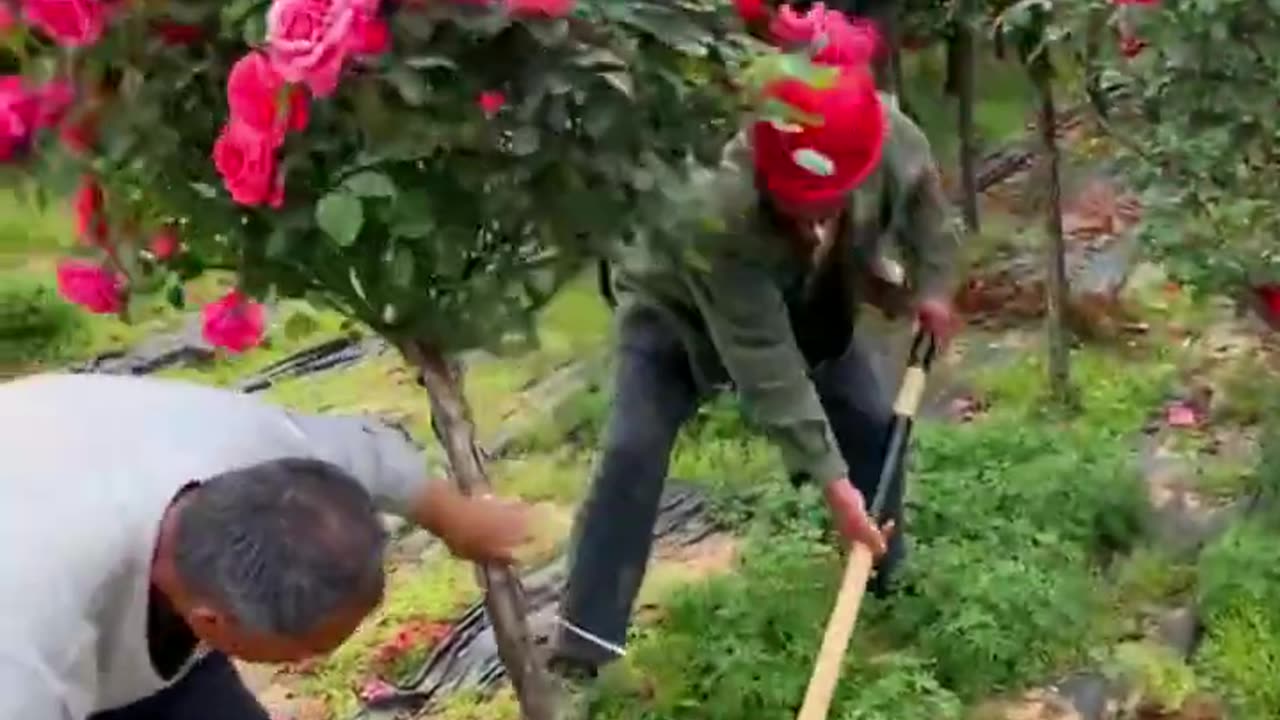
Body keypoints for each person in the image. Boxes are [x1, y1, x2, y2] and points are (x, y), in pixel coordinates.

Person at [548, 44, 962, 714]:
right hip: (673, 312)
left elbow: (926, 210)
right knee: (632, 450)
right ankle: (584, 644)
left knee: (871, 429)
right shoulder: (722, 211)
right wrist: (832, 486)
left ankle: (886, 576)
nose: (809, 221)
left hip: (808, 297)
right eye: (794, 208)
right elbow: (768, 366)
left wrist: (935, 287)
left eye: (823, 209)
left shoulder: (890, 137)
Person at [0, 372, 533, 720]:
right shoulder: (25, 645)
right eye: (305, 651)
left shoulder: (255, 448)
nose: (313, 660)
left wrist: (461, 521)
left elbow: (371, 455)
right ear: (212, 622)